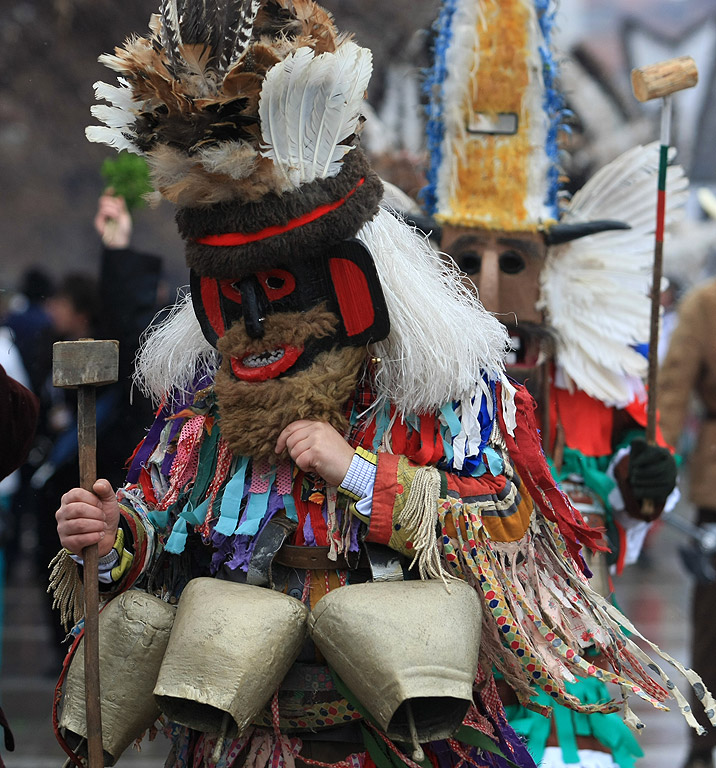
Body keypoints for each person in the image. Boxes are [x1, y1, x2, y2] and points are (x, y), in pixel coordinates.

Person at [51, 2, 714, 768]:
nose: (262, 320)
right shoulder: (204, 415)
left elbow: (511, 532)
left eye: (281, 286)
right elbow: (160, 533)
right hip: (243, 734)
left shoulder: (445, 399)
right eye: (237, 296)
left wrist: (362, 473)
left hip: (402, 737)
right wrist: (111, 537)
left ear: (351, 286)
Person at [421, 1, 683, 766]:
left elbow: (636, 483)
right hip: (444, 664)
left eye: (515, 261)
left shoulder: (588, 381)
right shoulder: (407, 378)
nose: (492, 288)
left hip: (567, 669)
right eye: (467, 260)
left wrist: (643, 484)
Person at [658, 276, 716, 768]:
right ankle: (702, 746)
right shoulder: (707, 304)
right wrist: (656, 466)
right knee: (712, 627)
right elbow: (672, 392)